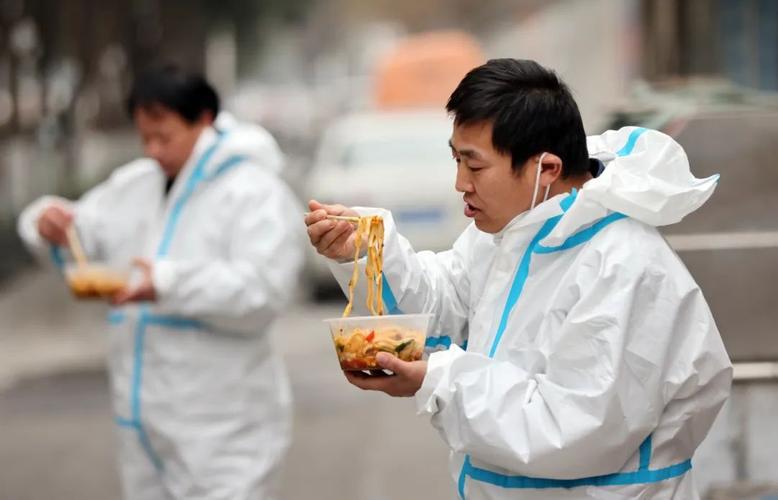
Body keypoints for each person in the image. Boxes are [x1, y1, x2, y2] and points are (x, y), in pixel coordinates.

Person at [304, 59, 732, 499]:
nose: (459, 183)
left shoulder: (621, 265)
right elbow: (444, 304)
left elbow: (569, 430)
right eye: (456, 159)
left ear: (545, 169)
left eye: (475, 165)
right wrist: (368, 252)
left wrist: (436, 380)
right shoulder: (512, 232)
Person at [18, 65, 304, 500]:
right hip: (144, 421)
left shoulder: (254, 193)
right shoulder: (138, 183)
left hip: (225, 426)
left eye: (164, 137)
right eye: (144, 138)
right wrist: (47, 221)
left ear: (204, 121)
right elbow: (81, 227)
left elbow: (263, 290)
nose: (153, 150)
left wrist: (167, 284)